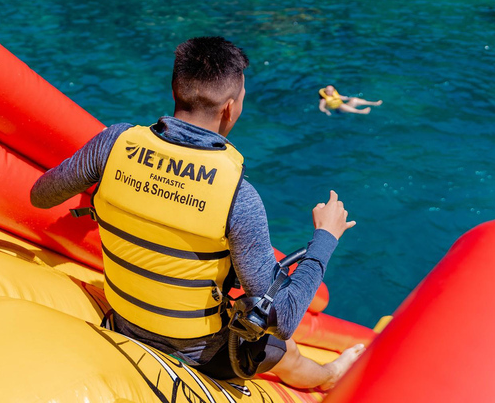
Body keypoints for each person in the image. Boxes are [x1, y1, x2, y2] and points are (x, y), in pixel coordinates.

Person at [30, 37, 364, 390]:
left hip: (124, 316)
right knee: (287, 349)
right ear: (229, 109)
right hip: (197, 349)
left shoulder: (113, 144)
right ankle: (332, 377)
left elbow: (42, 195)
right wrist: (326, 238)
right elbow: (281, 317)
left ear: (176, 90)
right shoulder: (237, 196)